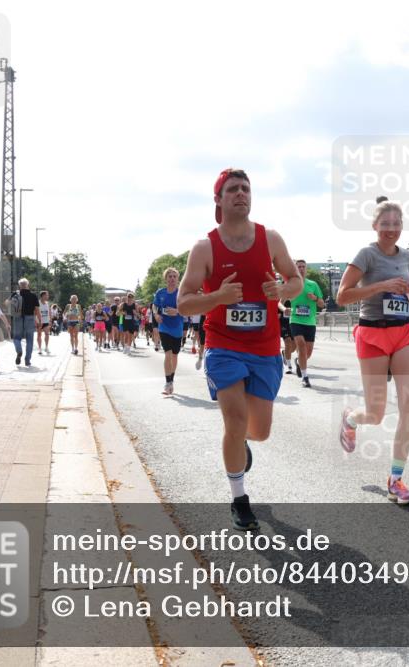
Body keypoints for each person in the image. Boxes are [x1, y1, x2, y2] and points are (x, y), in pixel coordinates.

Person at [177, 167, 301, 531]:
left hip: (264, 347)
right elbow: (184, 303)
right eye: (233, 189)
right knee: (234, 419)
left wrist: (282, 290)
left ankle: (241, 442)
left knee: (259, 431)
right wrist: (217, 297)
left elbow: (296, 281)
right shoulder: (204, 248)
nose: (241, 193)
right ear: (218, 199)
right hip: (223, 345)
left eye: (245, 188)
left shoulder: (270, 239)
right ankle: (239, 499)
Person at [336, 200, 409, 505]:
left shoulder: (407, 256)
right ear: (375, 226)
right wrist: (380, 285)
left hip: (403, 332)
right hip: (372, 333)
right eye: (385, 224)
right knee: (375, 414)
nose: (391, 229)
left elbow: (408, 292)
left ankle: (396, 480)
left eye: (396, 224)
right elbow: (342, 296)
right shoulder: (366, 255)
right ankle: (351, 419)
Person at [288, 259, 325, 388]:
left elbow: (322, 304)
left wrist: (315, 298)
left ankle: (299, 361)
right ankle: (305, 377)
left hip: (310, 322)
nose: (301, 269)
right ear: (295, 268)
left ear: (306, 269)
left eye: (303, 267)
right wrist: (284, 308)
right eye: (299, 267)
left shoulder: (313, 284)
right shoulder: (291, 284)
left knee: (307, 353)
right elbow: (280, 300)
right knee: (301, 345)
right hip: (295, 320)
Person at [154, 268, 184, 395]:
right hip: (164, 327)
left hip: (177, 328)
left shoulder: (181, 293)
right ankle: (168, 383)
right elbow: (154, 306)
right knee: (168, 354)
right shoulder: (160, 293)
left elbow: (187, 308)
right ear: (166, 279)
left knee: (174, 355)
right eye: (169, 276)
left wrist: (177, 311)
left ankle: (171, 379)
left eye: (174, 276)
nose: (172, 278)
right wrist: (156, 315)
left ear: (177, 279)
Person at [10, 278, 41, 366]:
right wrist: (39, 321)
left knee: (16, 338)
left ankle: (19, 350)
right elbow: (37, 310)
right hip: (30, 318)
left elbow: (6, 303)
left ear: (19, 285)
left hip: (18, 318)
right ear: (28, 285)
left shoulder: (15, 294)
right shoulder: (33, 295)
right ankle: (27, 360)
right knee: (29, 340)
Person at [278, 299, 296, 374]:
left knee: (294, 347)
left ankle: (285, 353)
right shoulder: (282, 297)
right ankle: (288, 366)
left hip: (294, 323)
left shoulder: (296, 297)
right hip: (284, 324)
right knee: (288, 342)